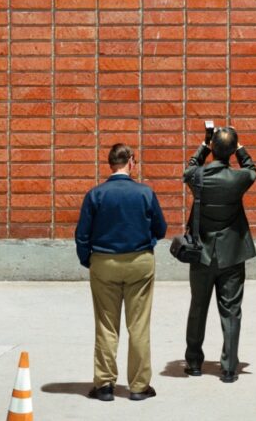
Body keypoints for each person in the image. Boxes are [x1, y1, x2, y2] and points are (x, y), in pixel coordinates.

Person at [75, 143, 167, 402]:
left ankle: (104, 385)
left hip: (104, 262)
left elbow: (82, 234)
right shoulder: (145, 193)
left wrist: (89, 261)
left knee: (106, 325)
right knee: (138, 325)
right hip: (139, 261)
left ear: (110, 164)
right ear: (131, 162)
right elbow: (160, 228)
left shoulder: (96, 194)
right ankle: (138, 386)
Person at [183, 126, 256, 383]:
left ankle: (193, 362)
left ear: (213, 149)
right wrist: (240, 149)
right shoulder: (238, 179)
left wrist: (204, 145)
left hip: (202, 253)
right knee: (231, 310)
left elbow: (190, 165)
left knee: (198, 307)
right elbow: (252, 170)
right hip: (232, 254)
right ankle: (228, 368)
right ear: (232, 150)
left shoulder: (198, 177)